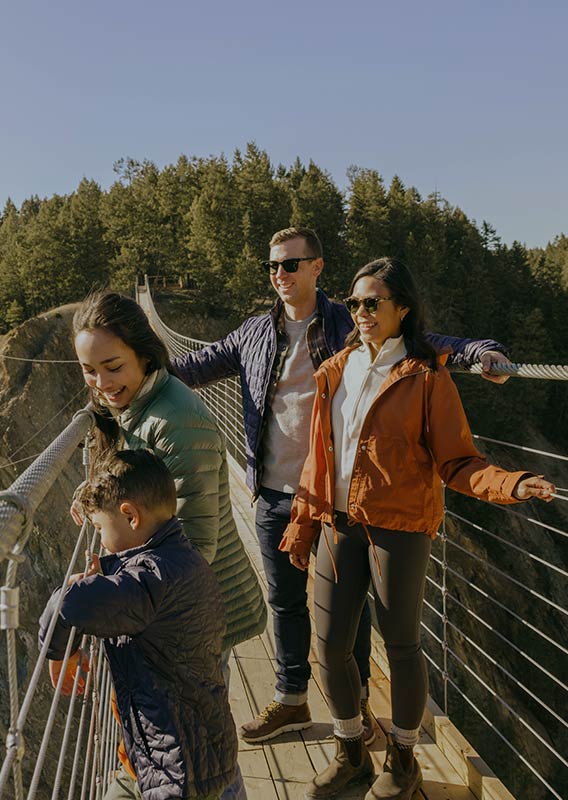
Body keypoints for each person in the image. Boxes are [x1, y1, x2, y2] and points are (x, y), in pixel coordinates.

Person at [172, 226, 512, 744]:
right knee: (284, 601)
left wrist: (478, 352)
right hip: (274, 491)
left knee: (344, 617)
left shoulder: (347, 321)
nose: (279, 276)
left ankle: (353, 711)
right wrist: (133, 380)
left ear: (317, 268)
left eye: (291, 264)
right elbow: (195, 366)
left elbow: (421, 345)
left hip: (335, 497)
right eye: (272, 267)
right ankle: (292, 700)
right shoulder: (253, 332)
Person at [278, 257, 555, 800]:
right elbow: (318, 459)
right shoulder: (336, 368)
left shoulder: (427, 376)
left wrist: (512, 483)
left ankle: (402, 759)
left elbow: (457, 462)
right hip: (339, 523)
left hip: (399, 529)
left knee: (401, 645)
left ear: (401, 309)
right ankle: (352, 749)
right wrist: (304, 525)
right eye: (354, 303)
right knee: (330, 647)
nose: (360, 312)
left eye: (372, 303)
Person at [71, 291, 267, 800]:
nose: (101, 384)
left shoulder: (176, 423)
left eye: (112, 367)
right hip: (170, 604)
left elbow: (194, 547)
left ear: (144, 352)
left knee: (196, 753)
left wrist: (116, 599)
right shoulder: (138, 405)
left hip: (194, 610)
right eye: (89, 371)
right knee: (197, 747)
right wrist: (94, 493)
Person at [39, 449, 239, 799]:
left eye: (100, 528)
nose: (100, 542)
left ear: (130, 516)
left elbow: (70, 607)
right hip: (193, 745)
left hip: (176, 768)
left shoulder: (148, 583)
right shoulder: (180, 559)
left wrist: (60, 650)